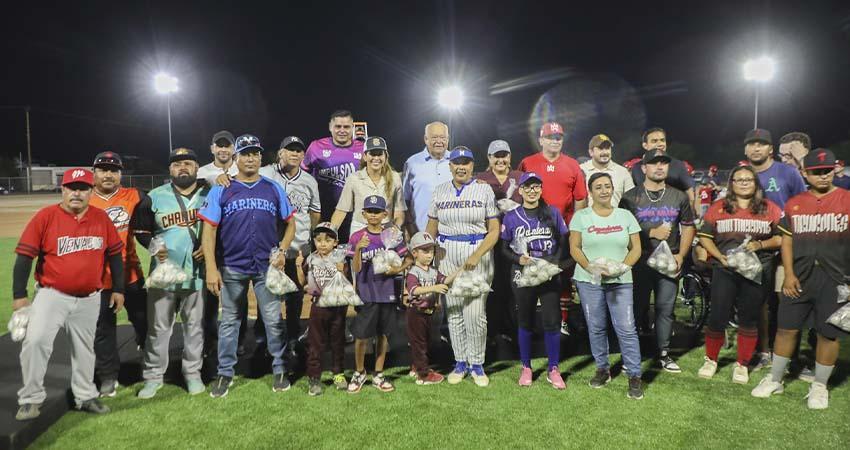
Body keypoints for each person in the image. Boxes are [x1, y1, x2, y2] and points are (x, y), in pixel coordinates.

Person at [13, 168, 123, 420]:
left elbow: (115, 255)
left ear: (90, 191)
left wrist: (118, 289)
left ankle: (85, 396)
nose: (77, 192)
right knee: (36, 341)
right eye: (71, 187)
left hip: (90, 296)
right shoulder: (46, 217)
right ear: (62, 190)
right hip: (52, 294)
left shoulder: (101, 218)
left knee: (84, 349)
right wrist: (19, 295)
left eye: (83, 188)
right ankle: (30, 398)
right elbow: (24, 257)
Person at [751, 149, 850, 409]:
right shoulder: (795, 203)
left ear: (834, 170)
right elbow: (787, 240)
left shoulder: (847, 199)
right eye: (816, 171)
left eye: (827, 170)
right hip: (800, 277)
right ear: (805, 173)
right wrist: (789, 274)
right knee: (786, 328)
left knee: (828, 334)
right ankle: (775, 378)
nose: (822, 176)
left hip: (836, 278)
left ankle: (819, 385)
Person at [199, 134, 296, 398]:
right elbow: (209, 230)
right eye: (245, 153)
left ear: (261, 157)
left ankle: (279, 369)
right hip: (232, 265)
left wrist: (283, 250)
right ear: (235, 158)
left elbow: (291, 223)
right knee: (230, 321)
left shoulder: (273, 187)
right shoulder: (222, 188)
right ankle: (225, 373)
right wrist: (211, 267)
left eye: (255, 153)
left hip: (266, 266)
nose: (250, 158)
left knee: (274, 320)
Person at [133, 148, 209, 398]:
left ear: (197, 167)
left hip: (197, 272)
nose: (183, 168)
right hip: (163, 275)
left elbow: (222, 226)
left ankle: (192, 373)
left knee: (195, 327)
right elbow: (141, 230)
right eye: (177, 164)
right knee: (158, 327)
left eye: (188, 163)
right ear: (170, 170)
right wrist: (154, 246)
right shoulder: (154, 196)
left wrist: (209, 249)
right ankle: (153, 377)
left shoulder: (209, 193)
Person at [697, 165, 782, 384]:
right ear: (731, 184)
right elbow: (705, 236)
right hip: (725, 269)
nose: (744, 183)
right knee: (717, 316)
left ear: (756, 183)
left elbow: (781, 238)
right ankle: (711, 359)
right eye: (738, 179)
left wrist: (760, 244)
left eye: (748, 179)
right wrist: (719, 256)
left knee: (749, 317)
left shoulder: (769, 208)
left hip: (756, 270)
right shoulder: (719, 207)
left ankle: (742, 364)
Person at [426, 146, 500, 387]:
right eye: (456, 162)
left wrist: (478, 254)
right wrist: (427, 256)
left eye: (466, 162)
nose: (461, 166)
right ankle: (460, 362)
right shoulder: (439, 191)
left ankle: (477, 364)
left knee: (475, 314)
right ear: (450, 166)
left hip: (475, 251)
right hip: (446, 254)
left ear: (472, 166)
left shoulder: (483, 189)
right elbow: (431, 228)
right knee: (454, 312)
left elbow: (494, 230)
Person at [620, 150, 696, 373]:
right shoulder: (630, 197)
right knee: (635, 309)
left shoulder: (679, 196)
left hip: (667, 260)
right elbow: (622, 230)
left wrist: (682, 254)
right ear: (643, 168)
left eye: (663, 163)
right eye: (654, 163)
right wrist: (651, 231)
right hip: (640, 261)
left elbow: (689, 225)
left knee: (665, 309)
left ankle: (663, 354)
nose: (659, 167)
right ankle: (630, 355)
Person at [569, 172, 644, 399]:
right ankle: (602, 369)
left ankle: (634, 375)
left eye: (607, 186)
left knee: (626, 328)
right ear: (590, 192)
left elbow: (636, 249)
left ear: (613, 189)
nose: (604, 190)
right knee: (597, 326)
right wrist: (590, 267)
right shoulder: (581, 217)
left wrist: (621, 268)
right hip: (589, 280)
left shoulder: (625, 216)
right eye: (598, 187)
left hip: (620, 281)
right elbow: (575, 248)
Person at [742, 128, 808, 370]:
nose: (756, 148)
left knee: (787, 300)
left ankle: (790, 356)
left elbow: (804, 205)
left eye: (761, 144)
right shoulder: (743, 174)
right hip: (755, 247)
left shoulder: (787, 172)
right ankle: (763, 351)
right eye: (751, 144)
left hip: (787, 245)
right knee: (758, 302)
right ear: (745, 148)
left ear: (771, 149)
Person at [517, 122, 587, 336]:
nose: (555, 141)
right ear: (541, 140)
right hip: (532, 230)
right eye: (550, 137)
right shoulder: (528, 162)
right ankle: (528, 322)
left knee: (562, 275)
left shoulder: (572, 164)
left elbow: (581, 199)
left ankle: (563, 320)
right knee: (530, 275)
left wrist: (574, 228)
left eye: (558, 137)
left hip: (561, 231)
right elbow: (518, 193)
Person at [501, 172, 569, 389]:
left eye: (536, 186)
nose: (532, 190)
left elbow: (562, 242)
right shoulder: (511, 216)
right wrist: (517, 258)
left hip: (547, 273)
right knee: (525, 319)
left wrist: (552, 264)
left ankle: (553, 368)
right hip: (523, 273)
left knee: (551, 320)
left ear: (541, 189)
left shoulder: (552, 213)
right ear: (520, 190)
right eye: (527, 187)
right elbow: (503, 248)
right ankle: (526, 366)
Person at [88, 151, 148, 398]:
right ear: (94, 173)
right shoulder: (84, 199)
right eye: (102, 169)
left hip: (130, 273)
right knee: (104, 330)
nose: (108, 174)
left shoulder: (134, 196)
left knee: (144, 322)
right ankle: (108, 378)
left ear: (121, 173)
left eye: (113, 170)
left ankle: (151, 366)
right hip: (98, 280)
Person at [260, 136, 321, 351]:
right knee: (268, 290)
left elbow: (315, 212)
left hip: (297, 248)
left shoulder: (309, 180)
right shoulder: (266, 173)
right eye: (290, 150)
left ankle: (294, 334)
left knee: (295, 291)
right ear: (280, 153)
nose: (295, 154)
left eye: (298, 151)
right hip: (269, 245)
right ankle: (265, 336)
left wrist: (311, 241)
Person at [346, 196, 411, 393]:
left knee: (383, 335)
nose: (373, 215)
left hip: (388, 292)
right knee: (361, 335)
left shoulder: (392, 235)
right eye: (370, 211)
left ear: (385, 214)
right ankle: (359, 371)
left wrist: (396, 270)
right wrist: (358, 249)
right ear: (363, 214)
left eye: (377, 211)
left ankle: (379, 373)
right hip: (366, 293)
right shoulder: (357, 237)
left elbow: (407, 259)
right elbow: (355, 269)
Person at [476, 139, 522, 343]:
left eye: (504, 155)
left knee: (514, 286)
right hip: (491, 239)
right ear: (489, 158)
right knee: (493, 284)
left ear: (510, 157)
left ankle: (512, 327)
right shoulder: (481, 178)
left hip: (516, 240)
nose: (501, 160)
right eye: (496, 156)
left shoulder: (519, 178)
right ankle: (492, 329)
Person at [296, 222, 349, 396]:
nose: (323, 243)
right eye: (318, 240)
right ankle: (314, 377)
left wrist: (343, 271)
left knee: (337, 341)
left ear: (335, 242)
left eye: (327, 240)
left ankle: (338, 373)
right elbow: (303, 282)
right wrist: (298, 266)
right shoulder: (311, 259)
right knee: (315, 342)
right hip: (318, 307)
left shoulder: (341, 258)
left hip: (337, 306)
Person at [303, 110, 365, 242]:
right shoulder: (316, 147)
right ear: (330, 127)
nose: (342, 130)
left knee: (351, 254)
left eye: (346, 127)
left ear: (352, 128)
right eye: (338, 126)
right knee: (323, 255)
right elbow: (303, 175)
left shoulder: (363, 148)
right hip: (322, 213)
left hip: (353, 214)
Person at [331, 136, 405, 233]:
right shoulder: (354, 179)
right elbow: (341, 210)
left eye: (380, 154)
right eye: (372, 154)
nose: (376, 158)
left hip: (386, 231)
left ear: (386, 156)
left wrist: (396, 227)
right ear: (365, 156)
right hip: (360, 231)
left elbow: (399, 211)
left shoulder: (395, 178)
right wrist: (331, 232)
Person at [405, 231, 451, 385]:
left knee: (426, 341)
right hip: (416, 312)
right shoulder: (413, 272)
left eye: (431, 251)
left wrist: (461, 270)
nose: (429, 255)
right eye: (425, 251)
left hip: (428, 313)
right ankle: (423, 375)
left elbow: (445, 280)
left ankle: (416, 367)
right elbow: (414, 290)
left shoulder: (432, 271)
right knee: (419, 343)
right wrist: (435, 287)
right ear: (414, 253)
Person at [629, 127, 698, 215]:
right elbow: (634, 194)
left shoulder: (678, 165)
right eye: (654, 141)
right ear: (645, 145)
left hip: (673, 218)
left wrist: (690, 214)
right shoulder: (637, 168)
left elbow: (690, 193)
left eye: (662, 140)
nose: (660, 143)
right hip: (646, 217)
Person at [402, 121, 453, 235]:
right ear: (426, 139)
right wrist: (410, 229)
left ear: (448, 139)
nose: (439, 141)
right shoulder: (411, 163)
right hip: (421, 233)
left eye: (443, 137)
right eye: (434, 137)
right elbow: (404, 201)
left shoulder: (456, 162)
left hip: (452, 235)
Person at [579, 134, 635, 207]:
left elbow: (632, 200)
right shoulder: (580, 170)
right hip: (588, 217)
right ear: (591, 152)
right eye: (600, 148)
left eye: (607, 148)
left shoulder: (622, 172)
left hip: (616, 217)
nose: (605, 152)